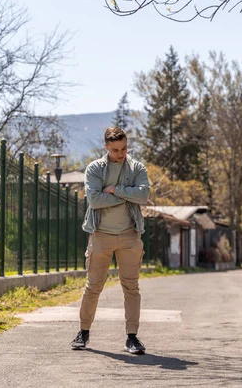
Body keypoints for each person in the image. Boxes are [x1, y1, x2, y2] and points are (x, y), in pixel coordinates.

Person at [71, 126, 150, 354]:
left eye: (124, 148)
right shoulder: (95, 168)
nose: (121, 153)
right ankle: (83, 333)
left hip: (129, 235)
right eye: (115, 150)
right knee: (93, 286)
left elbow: (143, 195)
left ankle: (132, 338)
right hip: (101, 234)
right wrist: (127, 195)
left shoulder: (136, 168)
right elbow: (94, 200)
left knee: (131, 287)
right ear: (106, 147)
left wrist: (115, 189)